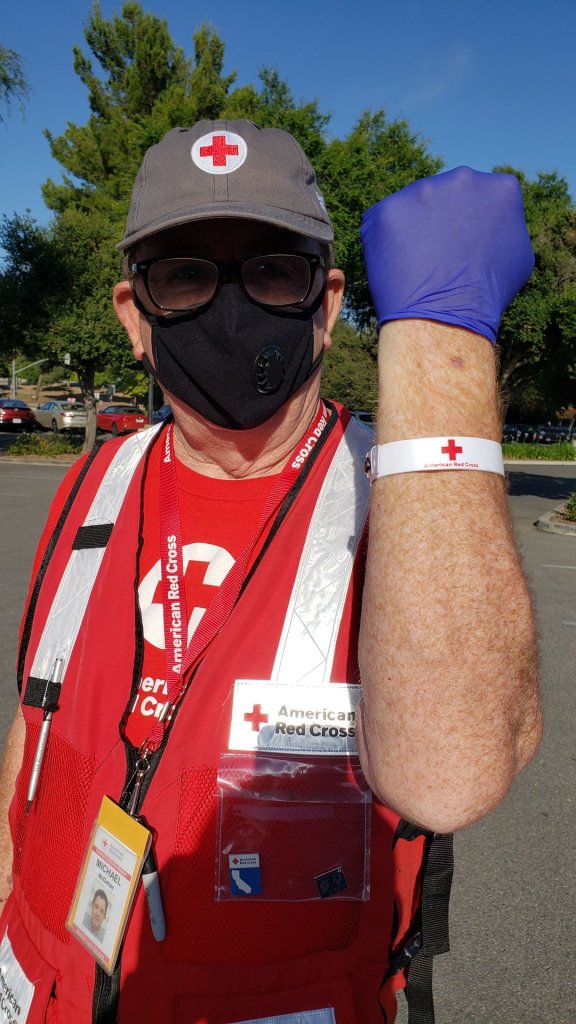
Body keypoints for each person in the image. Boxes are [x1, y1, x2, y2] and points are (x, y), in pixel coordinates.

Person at [0, 119, 541, 1024]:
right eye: (183, 274)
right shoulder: (94, 484)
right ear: (135, 315)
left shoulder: (402, 502)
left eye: (270, 269)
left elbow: (454, 771)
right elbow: (33, 724)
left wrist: (443, 339)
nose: (230, 304)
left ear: (326, 307)